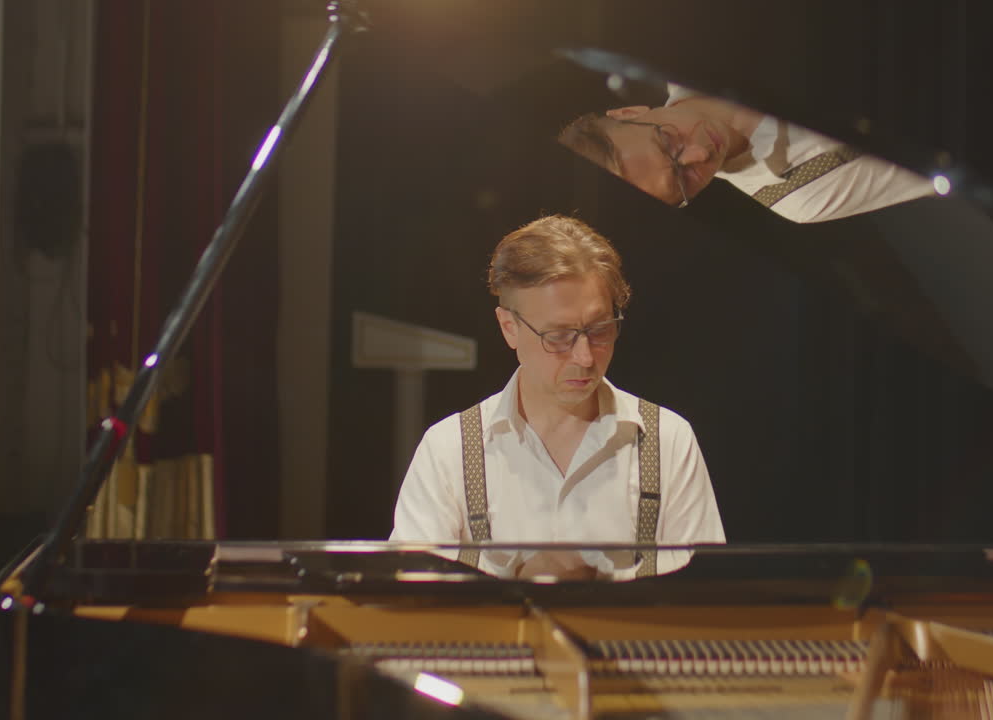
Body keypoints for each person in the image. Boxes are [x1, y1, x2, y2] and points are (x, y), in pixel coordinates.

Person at [389, 214, 725, 579]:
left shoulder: (667, 440)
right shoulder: (449, 449)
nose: (585, 357)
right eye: (559, 336)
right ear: (509, 328)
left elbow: (705, 597)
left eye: (600, 329)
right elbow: (411, 599)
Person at [559, 85, 936, 223]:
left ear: (628, 112)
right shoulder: (798, 196)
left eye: (668, 142)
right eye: (683, 180)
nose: (700, 154)